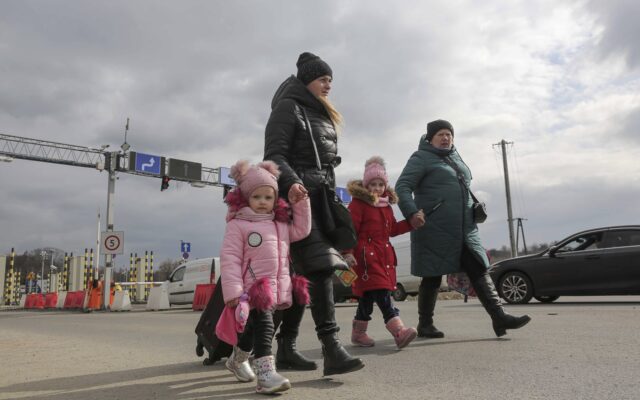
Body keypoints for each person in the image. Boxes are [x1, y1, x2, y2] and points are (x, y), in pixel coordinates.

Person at [263, 52, 365, 376]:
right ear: (307, 79)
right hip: (297, 202)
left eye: (331, 80)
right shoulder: (288, 108)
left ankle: (286, 348)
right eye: (323, 79)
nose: (328, 85)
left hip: (318, 200)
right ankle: (331, 349)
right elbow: (275, 155)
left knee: (301, 278)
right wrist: (292, 184)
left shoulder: (318, 112)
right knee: (321, 268)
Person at [395, 119, 531, 338]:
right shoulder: (421, 158)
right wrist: (412, 213)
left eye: (449, 134)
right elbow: (402, 186)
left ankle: (499, 317)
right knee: (432, 275)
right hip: (434, 227)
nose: (446, 137)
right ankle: (425, 324)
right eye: (440, 134)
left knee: (478, 267)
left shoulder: (455, 157)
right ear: (430, 138)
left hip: (465, 228)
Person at [219, 159, 312, 394]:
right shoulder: (237, 224)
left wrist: (301, 204)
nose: (263, 202)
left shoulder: (279, 224)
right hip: (252, 289)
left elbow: (301, 230)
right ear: (246, 197)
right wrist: (233, 292)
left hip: (275, 287)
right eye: (257, 197)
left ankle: (237, 359)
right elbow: (230, 259)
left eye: (268, 197)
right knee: (265, 326)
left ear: (275, 199)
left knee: (252, 330)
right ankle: (266, 375)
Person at [343, 156, 419, 349]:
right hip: (365, 260)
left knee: (368, 298)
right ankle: (399, 332)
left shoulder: (386, 207)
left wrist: (411, 223)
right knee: (383, 294)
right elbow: (349, 230)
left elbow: (392, 229)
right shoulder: (357, 205)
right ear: (366, 185)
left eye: (380, 184)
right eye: (373, 184)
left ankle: (358, 333)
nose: (377, 188)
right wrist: (347, 252)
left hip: (383, 257)